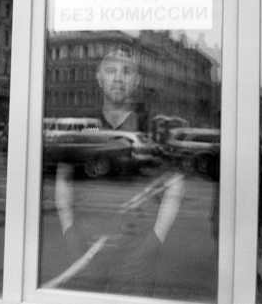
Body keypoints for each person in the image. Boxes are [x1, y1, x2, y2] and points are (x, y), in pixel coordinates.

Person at [52, 49, 184, 297]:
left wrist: (156, 238)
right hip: (86, 250)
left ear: (136, 81)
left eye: (126, 72)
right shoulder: (84, 126)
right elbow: (63, 179)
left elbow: (174, 183)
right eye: (111, 71)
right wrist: (69, 232)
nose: (118, 78)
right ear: (99, 78)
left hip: (136, 255)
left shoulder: (151, 127)